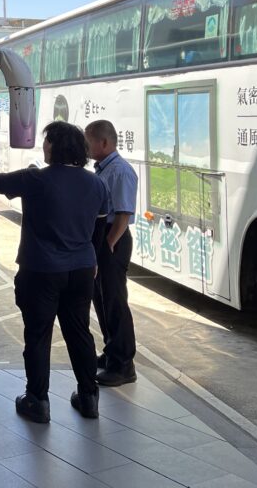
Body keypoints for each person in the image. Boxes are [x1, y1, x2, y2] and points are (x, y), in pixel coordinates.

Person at [0, 122, 109, 423]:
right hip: (82, 270)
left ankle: (37, 401)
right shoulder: (96, 183)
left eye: (47, 141)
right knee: (80, 333)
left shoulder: (36, 179)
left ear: (56, 146)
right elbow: (100, 226)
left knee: (38, 334)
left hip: (41, 270)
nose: (43, 147)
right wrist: (93, 258)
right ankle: (88, 398)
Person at [84, 120, 138, 386]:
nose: (86, 146)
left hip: (112, 240)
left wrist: (110, 243)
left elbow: (123, 214)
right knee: (101, 298)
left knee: (115, 300)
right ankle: (111, 351)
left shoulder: (119, 171)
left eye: (89, 141)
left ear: (103, 143)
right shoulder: (102, 169)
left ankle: (124, 365)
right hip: (102, 240)